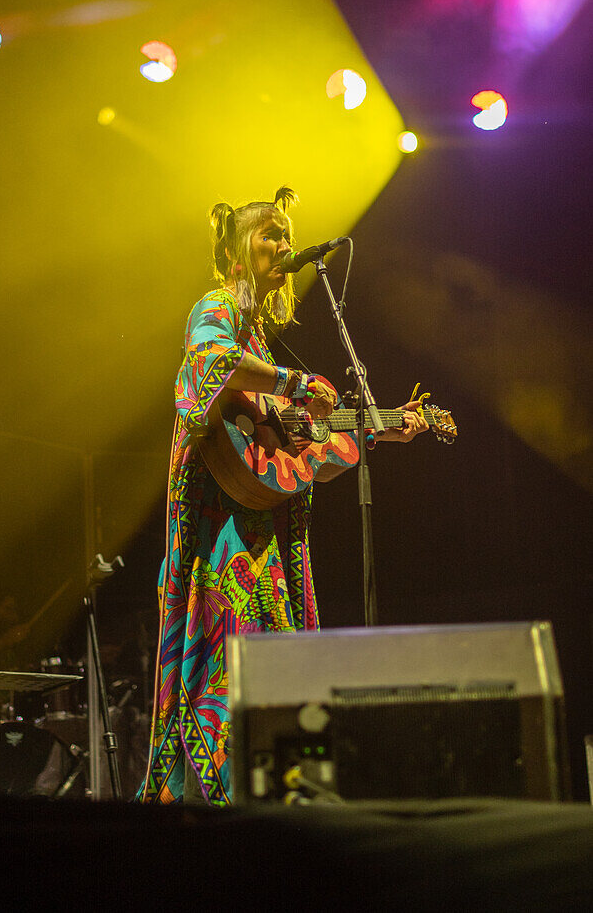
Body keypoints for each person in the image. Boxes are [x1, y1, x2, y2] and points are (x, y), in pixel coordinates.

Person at [139, 188, 426, 806]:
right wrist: (298, 382)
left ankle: (274, 814)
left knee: (272, 687)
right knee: (221, 681)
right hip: (214, 549)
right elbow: (213, 363)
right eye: (269, 231)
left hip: (262, 546)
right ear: (236, 253)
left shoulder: (266, 346)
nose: (284, 243)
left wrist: (354, 437)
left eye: (287, 232)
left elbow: (280, 460)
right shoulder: (212, 307)